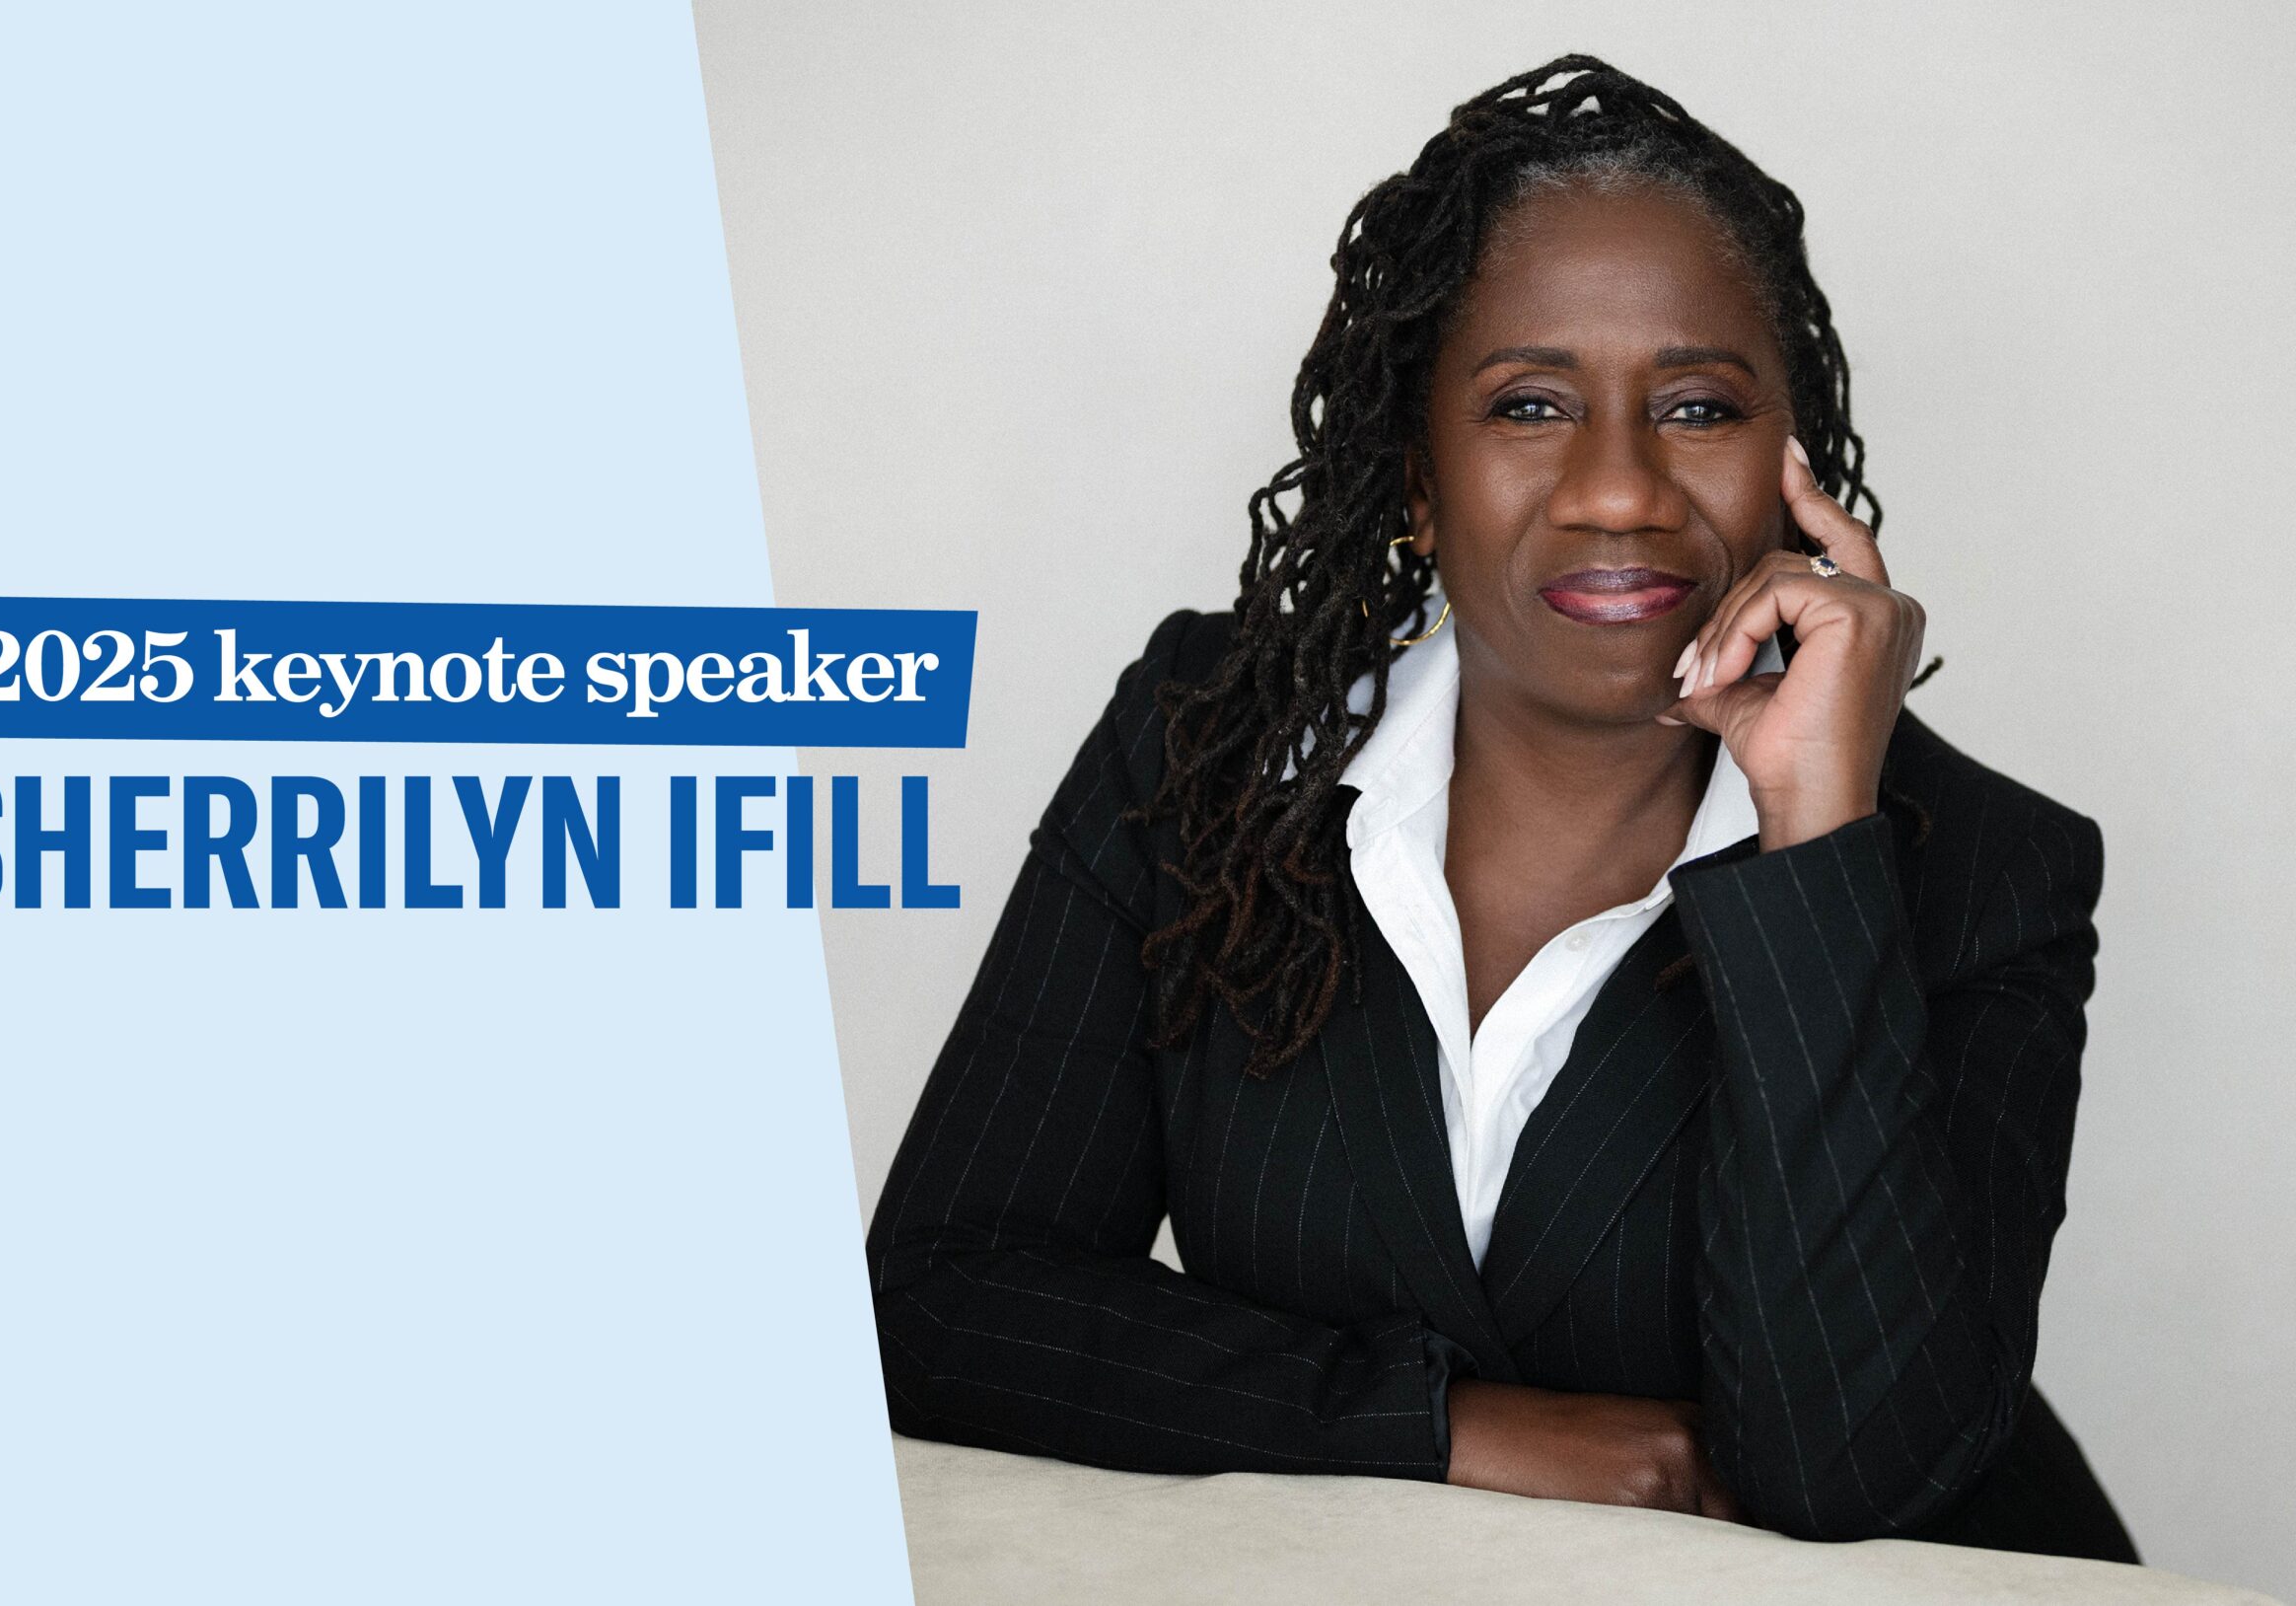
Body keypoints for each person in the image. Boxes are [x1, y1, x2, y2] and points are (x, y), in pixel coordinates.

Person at [864, 54, 2135, 1561]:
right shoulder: (1208, 752)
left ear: (1797, 471)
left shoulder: (1981, 869)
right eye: (1530, 403)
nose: (1617, 487)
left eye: (1700, 406)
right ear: (1415, 474)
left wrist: (1815, 843)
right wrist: (1441, 1429)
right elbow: (939, 1303)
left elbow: (1849, 1475)